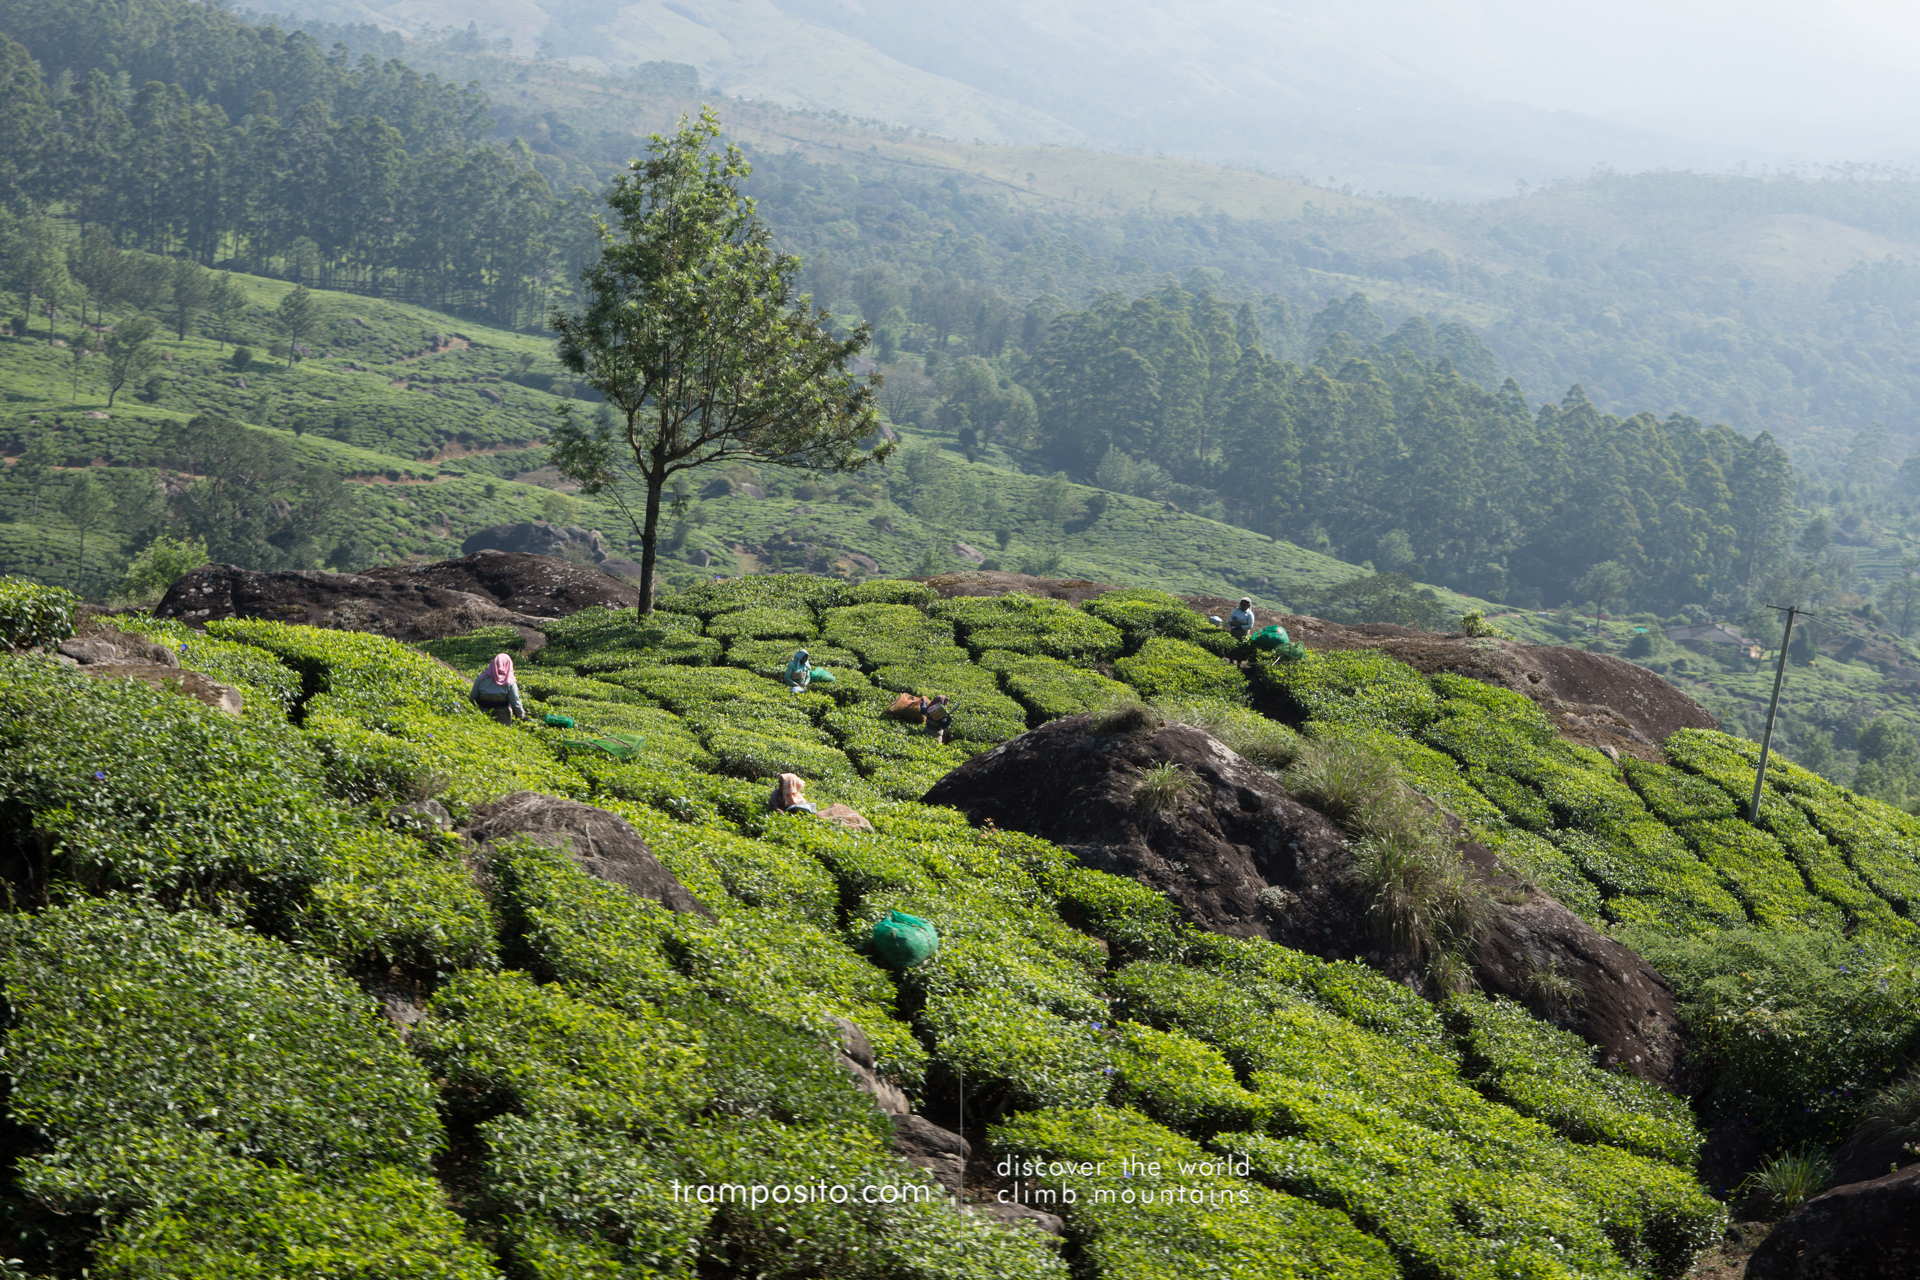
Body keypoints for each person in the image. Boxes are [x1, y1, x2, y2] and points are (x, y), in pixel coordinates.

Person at [471, 653, 524, 724]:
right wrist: (522, 716)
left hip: (482, 716)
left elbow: (472, 698)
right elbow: (515, 703)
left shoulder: (481, 678)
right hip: (502, 719)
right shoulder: (509, 682)